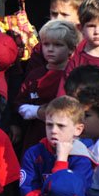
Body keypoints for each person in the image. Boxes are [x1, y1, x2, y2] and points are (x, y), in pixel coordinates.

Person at [17, 20, 80, 149]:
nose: (50, 49)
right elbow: (19, 102)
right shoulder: (35, 74)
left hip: (65, 140)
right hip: (35, 138)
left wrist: (41, 112)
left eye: (58, 45)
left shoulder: (74, 76)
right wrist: (31, 110)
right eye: (46, 44)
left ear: (71, 49)